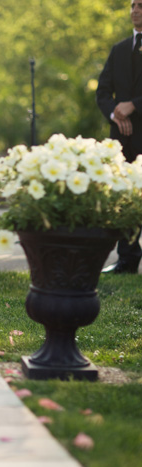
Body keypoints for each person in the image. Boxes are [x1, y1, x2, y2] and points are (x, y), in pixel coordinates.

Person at [97, 0, 142, 274]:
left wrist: (134, 105)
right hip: (123, 138)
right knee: (125, 195)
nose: (135, 10)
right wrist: (116, 113)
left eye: (141, 5)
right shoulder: (119, 49)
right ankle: (127, 259)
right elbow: (102, 91)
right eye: (133, 5)